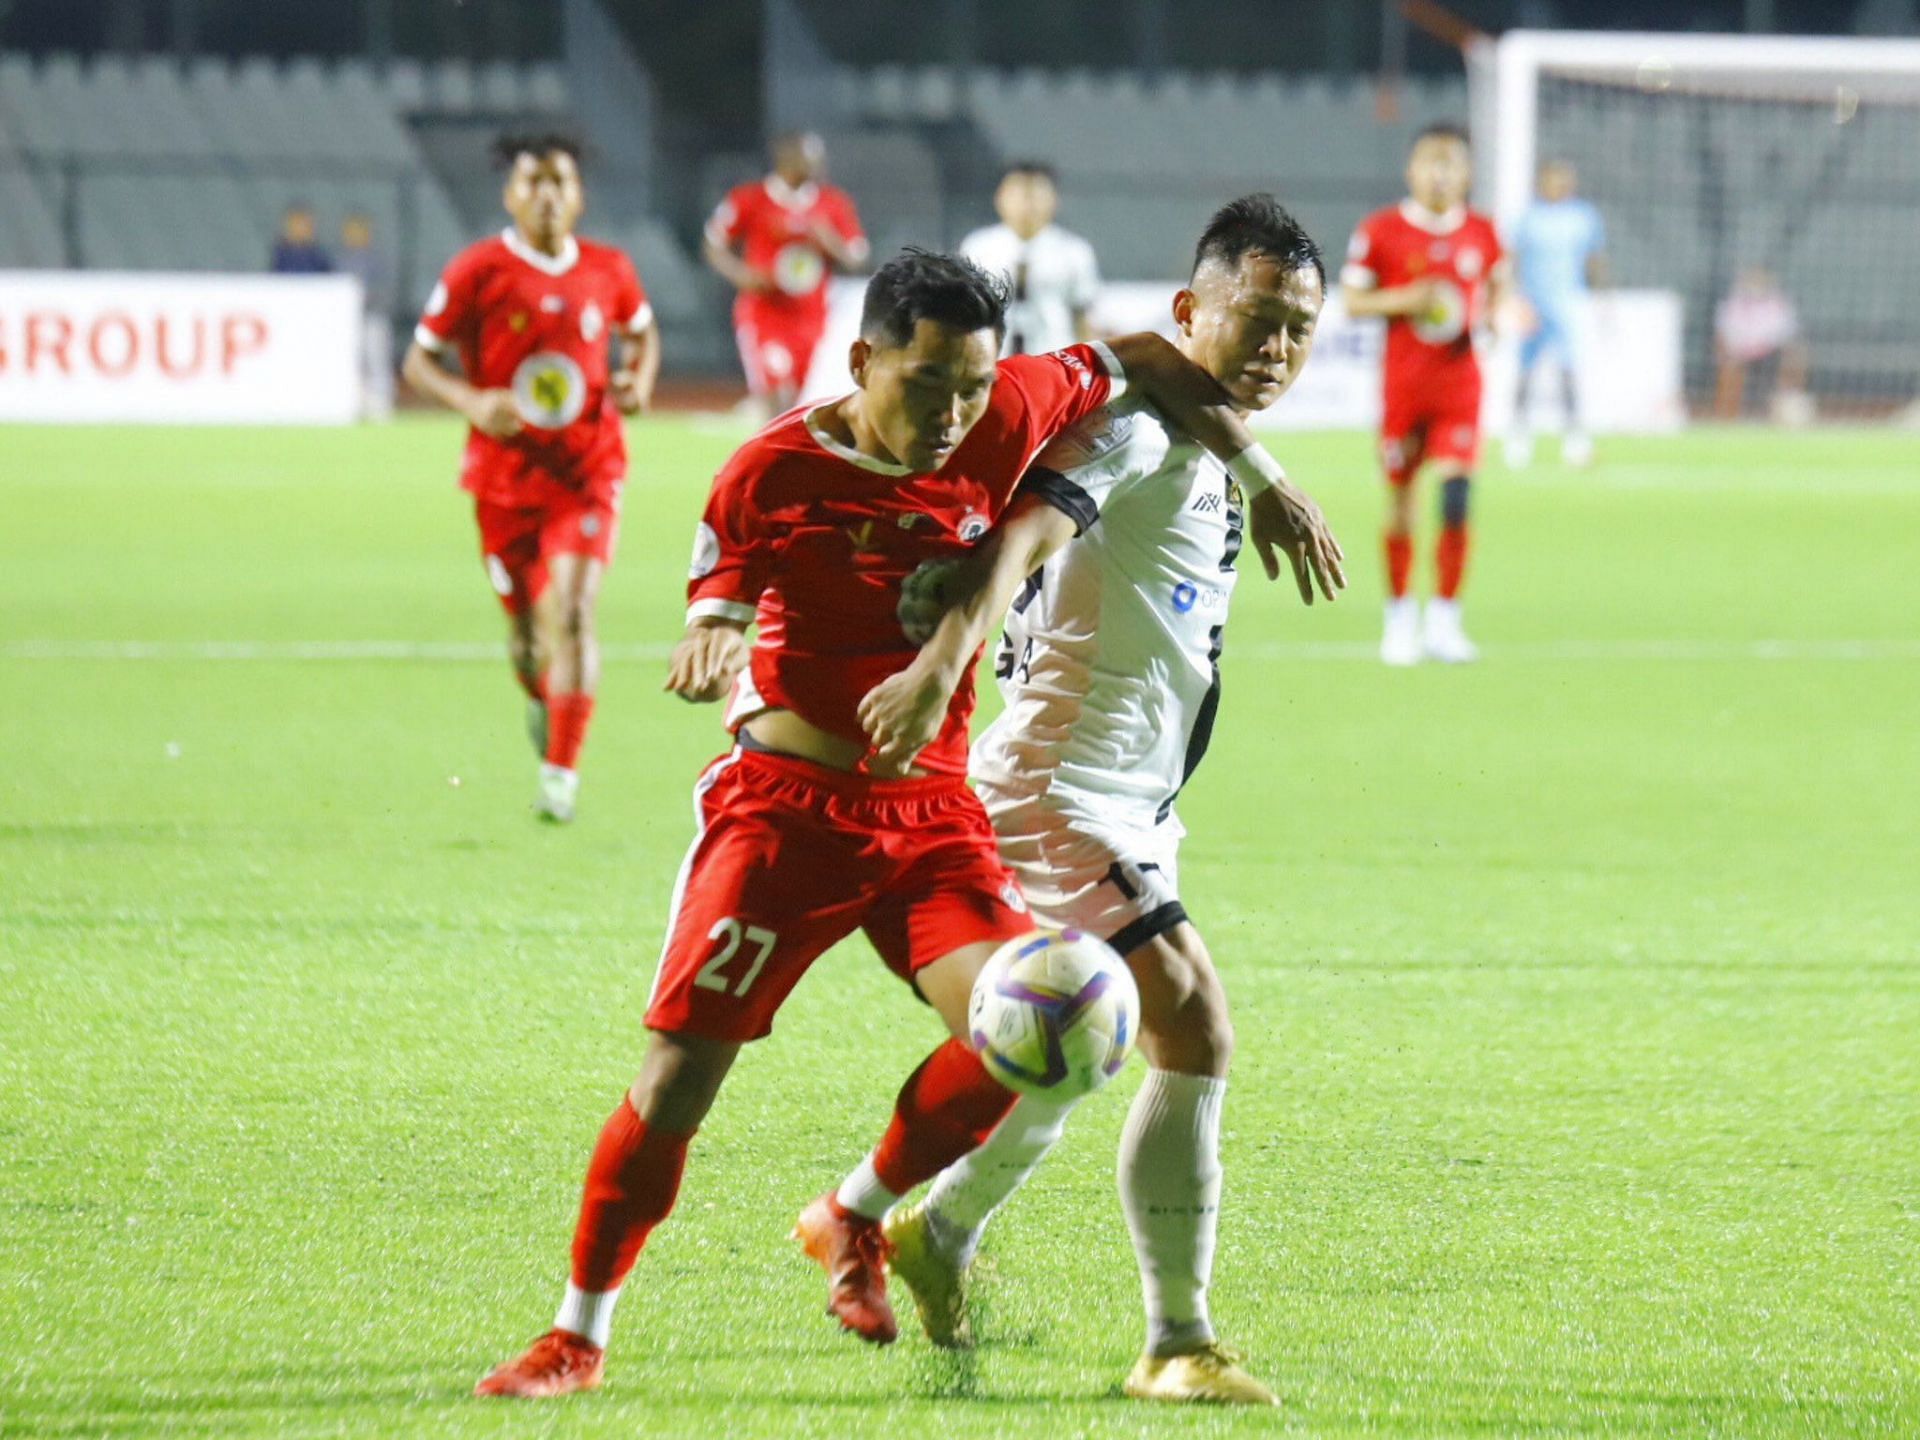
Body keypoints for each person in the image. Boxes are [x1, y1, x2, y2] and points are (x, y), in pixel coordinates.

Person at [471, 248, 1343, 1399]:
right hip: (783, 813)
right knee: (680, 1076)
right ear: (863, 362)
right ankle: (578, 1333)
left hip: (930, 812)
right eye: (927, 389)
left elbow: (1139, 359)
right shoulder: (771, 471)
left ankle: (860, 1218)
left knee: (1037, 1030)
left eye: (975, 390)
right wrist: (714, 637)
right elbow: (720, 595)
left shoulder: (1007, 405)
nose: (954, 417)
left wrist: (1264, 471)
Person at [811, 196, 1339, 1406]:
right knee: (1189, 1020)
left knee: (1060, 1049)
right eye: (1255, 320)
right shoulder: (1142, 434)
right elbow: (1034, 526)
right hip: (1059, 799)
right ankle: (1176, 1341)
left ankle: (920, 1237)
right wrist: (950, 646)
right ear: (1188, 312)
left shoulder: (1205, 445)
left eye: (1299, 331)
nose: (1275, 349)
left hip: (1122, 804)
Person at [401, 133, 660, 823]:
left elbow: (642, 331)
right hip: (503, 480)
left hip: (587, 470)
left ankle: (560, 776)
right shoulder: (477, 270)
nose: (547, 195)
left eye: (560, 182)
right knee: (525, 635)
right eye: (533, 182)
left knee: (574, 611)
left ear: (578, 195)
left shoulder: (609, 269)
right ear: (509, 194)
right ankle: (544, 697)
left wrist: (638, 378)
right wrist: (471, 401)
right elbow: (418, 362)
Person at [1343, 123, 1509, 666]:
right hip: (1405, 387)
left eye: (1451, 164)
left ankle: (1445, 620)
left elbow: (1500, 285)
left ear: (1467, 173)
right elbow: (1353, 302)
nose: (1440, 174)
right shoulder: (1381, 230)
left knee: (1457, 497)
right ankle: (1398, 620)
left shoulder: (1483, 231)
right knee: (1401, 501)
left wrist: (1493, 317)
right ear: (1411, 170)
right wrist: (1411, 299)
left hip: (1460, 385)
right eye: (1430, 163)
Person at [703, 130, 868, 414]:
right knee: (778, 395)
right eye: (810, 158)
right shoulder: (751, 198)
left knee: (809, 403)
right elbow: (713, 243)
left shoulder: (832, 203)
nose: (817, 165)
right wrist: (742, 275)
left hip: (814, 319)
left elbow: (858, 256)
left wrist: (829, 242)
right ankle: (771, 453)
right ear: (786, 158)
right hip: (765, 314)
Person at [1506, 159, 1606, 468]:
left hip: (1565, 304)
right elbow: (1511, 258)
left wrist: (1602, 296)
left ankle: (1574, 437)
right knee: (1525, 372)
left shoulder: (1583, 217)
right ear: (1541, 182)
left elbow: (1594, 259)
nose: (1558, 185)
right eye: (1552, 179)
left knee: (1567, 372)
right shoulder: (1527, 218)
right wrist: (1513, 298)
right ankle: (1518, 436)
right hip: (1532, 304)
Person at [960, 160, 1101, 356]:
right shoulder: (977, 247)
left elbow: (1082, 315)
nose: (1028, 204)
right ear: (1000, 198)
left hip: (1053, 359)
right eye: (1018, 195)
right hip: (994, 360)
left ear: (1054, 200)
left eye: (1036, 195)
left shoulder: (1073, 250)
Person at [1714, 266, 1809, 421]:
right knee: (1728, 364)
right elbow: (1725, 333)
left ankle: (1786, 411)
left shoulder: (1778, 303)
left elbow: (1786, 332)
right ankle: (1726, 417)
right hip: (1740, 354)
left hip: (1771, 354)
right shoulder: (1733, 304)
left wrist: (1765, 344)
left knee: (1795, 357)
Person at [338, 212, 396, 421]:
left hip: (374, 318)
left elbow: (385, 290)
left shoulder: (376, 260)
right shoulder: (341, 260)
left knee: (377, 361)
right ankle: (357, 405)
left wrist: (365, 297)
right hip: (348, 322)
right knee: (353, 362)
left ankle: (381, 407)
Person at [268, 203, 331, 274]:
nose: (300, 229)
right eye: (296, 224)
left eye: (304, 224)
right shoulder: (279, 257)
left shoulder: (320, 258)